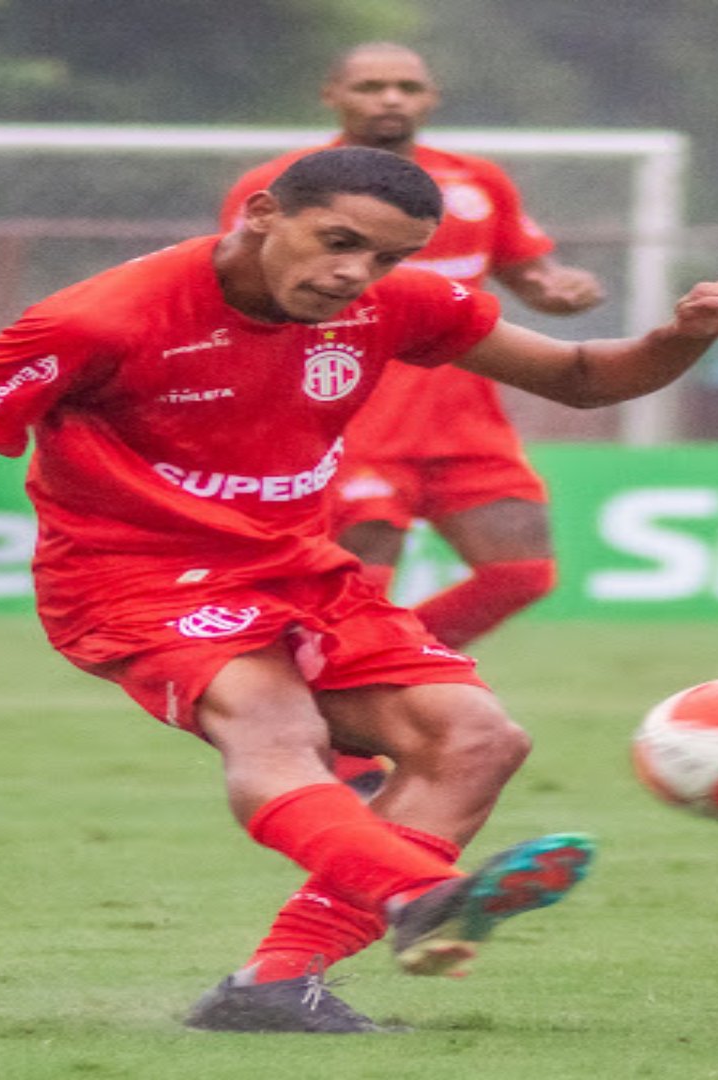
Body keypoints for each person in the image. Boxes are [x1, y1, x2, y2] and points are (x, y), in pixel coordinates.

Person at [0, 147, 718, 1033]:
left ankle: (274, 987)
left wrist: (683, 336)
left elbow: (577, 377)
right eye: (339, 242)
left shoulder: (395, 303)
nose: (356, 274)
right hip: (135, 579)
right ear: (262, 213)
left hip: (299, 569)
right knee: (277, 727)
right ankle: (415, 892)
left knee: (477, 740)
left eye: (387, 257)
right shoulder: (103, 318)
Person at [221, 43, 606, 793]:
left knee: (522, 569)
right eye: (370, 86)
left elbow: (526, 272)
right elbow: (238, 285)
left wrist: (555, 290)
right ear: (334, 93)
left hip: (467, 417)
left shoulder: (476, 181)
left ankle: (371, 687)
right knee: (358, 588)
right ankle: (360, 755)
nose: (389, 99)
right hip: (350, 412)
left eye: (406, 86)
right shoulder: (276, 186)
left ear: (431, 98)